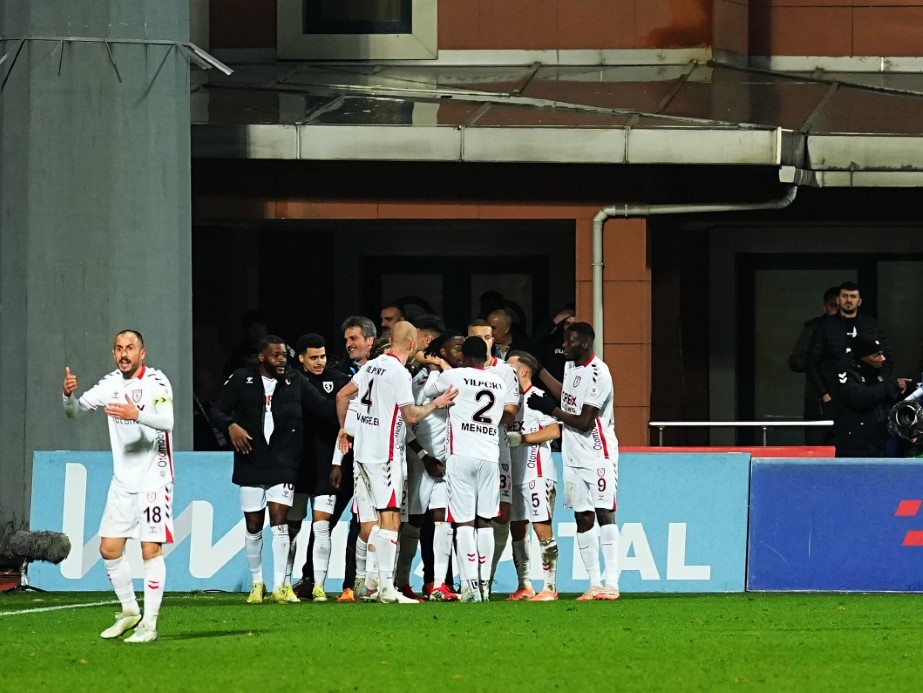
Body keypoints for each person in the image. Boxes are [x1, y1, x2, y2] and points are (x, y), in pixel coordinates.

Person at [62, 330, 174, 644]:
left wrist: (136, 414)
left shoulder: (156, 382)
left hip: (154, 479)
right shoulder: (110, 384)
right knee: (109, 549)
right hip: (123, 482)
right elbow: (74, 411)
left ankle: (149, 625)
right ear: (114, 353)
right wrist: (68, 396)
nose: (124, 354)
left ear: (142, 353)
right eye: (119, 348)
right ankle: (129, 611)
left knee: (150, 550)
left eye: (130, 348)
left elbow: (168, 422)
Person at [335, 321, 457, 603]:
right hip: (386, 456)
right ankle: (387, 588)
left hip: (362, 456)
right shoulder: (399, 373)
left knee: (371, 523)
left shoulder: (371, 366)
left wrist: (344, 428)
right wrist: (436, 404)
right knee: (390, 520)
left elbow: (342, 395)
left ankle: (367, 584)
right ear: (412, 344)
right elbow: (411, 415)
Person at [210, 335, 336, 605]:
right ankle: (257, 583)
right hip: (251, 459)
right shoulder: (242, 379)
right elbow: (217, 411)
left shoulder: (294, 380)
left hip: (284, 462)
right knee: (254, 525)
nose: (282, 360)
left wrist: (352, 398)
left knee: (280, 522)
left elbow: (325, 407)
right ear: (262, 357)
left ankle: (280, 586)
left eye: (284, 355)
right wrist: (231, 425)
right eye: (275, 356)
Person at [529, 322, 621, 601]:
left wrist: (551, 410)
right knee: (582, 516)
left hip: (598, 455)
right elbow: (568, 397)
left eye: (570, 341)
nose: (564, 346)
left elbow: (584, 421)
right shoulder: (571, 367)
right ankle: (594, 583)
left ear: (584, 343)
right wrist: (540, 371)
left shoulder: (599, 373)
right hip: (572, 456)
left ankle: (612, 583)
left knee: (604, 513)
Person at [426, 336, 506, 602]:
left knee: (464, 522)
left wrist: (437, 366)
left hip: (461, 454)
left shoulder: (454, 376)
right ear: (486, 356)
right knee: (485, 521)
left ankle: (470, 586)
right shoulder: (498, 381)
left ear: (463, 356)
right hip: (490, 456)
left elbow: (429, 391)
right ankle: (484, 586)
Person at [286, 334, 353, 602]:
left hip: (326, 463)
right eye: (313, 357)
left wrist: (337, 462)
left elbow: (343, 428)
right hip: (297, 465)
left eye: (323, 356)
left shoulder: (339, 381)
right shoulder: (289, 382)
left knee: (322, 527)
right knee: (291, 528)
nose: (319, 362)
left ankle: (319, 587)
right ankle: (284, 583)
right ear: (301, 357)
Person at [468, 319, 520, 590]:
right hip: (465, 449)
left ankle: (486, 576)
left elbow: (511, 412)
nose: (485, 343)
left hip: (496, 449)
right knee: (468, 516)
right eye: (478, 338)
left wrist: (479, 418)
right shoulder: (460, 371)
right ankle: (468, 578)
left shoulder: (506, 371)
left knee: (500, 514)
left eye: (488, 337)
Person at [505, 351, 561, 601]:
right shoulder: (509, 403)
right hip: (515, 473)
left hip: (537, 472)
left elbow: (554, 430)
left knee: (541, 527)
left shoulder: (537, 397)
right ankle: (524, 584)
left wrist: (524, 438)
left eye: (511, 369)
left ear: (524, 372)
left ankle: (549, 587)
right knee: (517, 528)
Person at [806, 282, 892, 437]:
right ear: (838, 299)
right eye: (845, 296)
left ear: (859, 301)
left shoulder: (872, 325)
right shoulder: (825, 326)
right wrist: (824, 394)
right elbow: (812, 361)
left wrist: (880, 387)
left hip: (867, 396)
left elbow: (886, 358)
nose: (849, 300)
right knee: (833, 440)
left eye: (853, 296)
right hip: (833, 396)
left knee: (867, 439)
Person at [834, 335, 910, 457]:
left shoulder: (880, 374)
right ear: (863, 356)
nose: (882, 359)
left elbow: (888, 402)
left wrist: (903, 391)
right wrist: (891, 386)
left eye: (882, 354)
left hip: (879, 443)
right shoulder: (846, 375)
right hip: (854, 446)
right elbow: (859, 398)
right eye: (877, 355)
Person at [789, 287, 840, 445]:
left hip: (846, 399)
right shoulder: (813, 329)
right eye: (833, 305)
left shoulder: (853, 328)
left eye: (841, 306)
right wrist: (818, 359)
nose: (838, 311)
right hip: (817, 400)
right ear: (825, 307)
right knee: (816, 448)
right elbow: (796, 361)